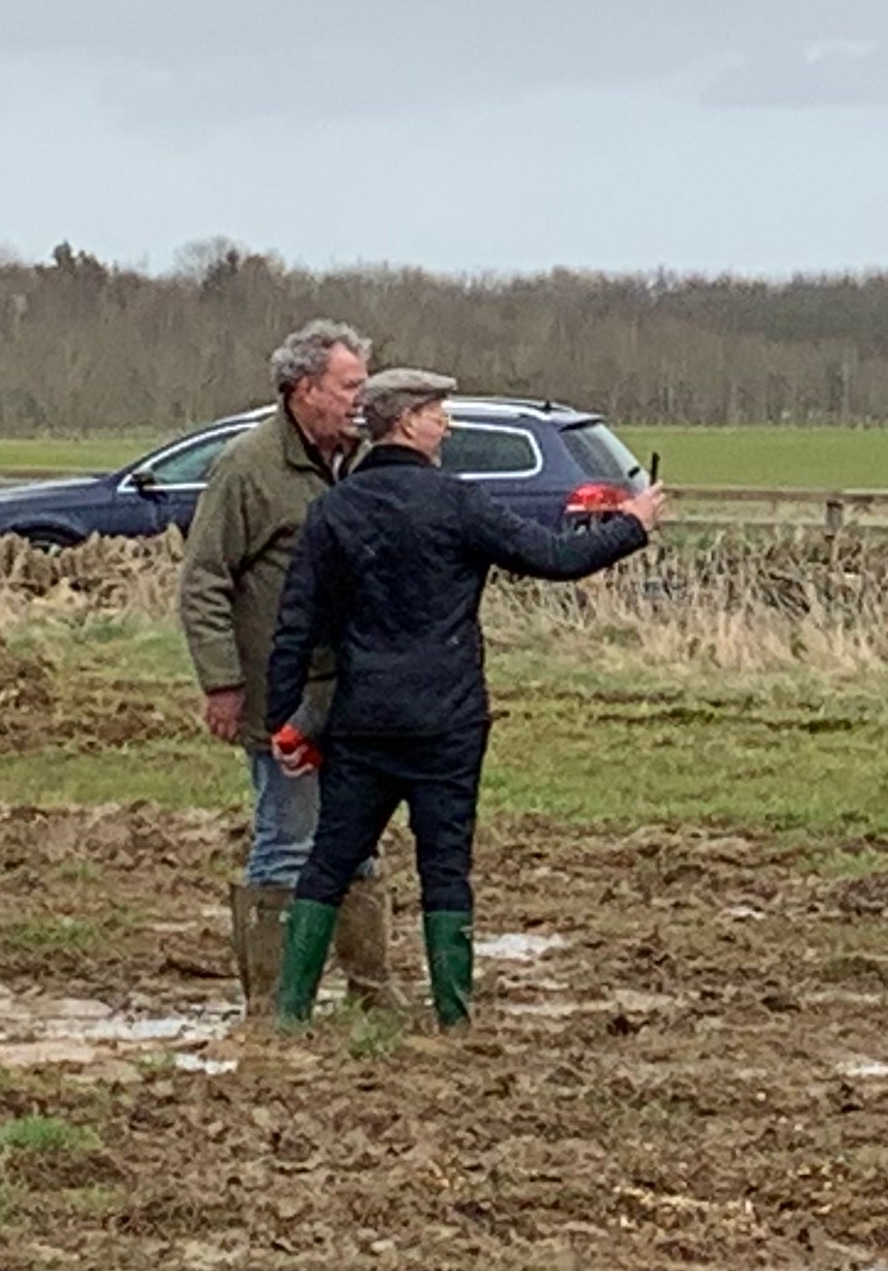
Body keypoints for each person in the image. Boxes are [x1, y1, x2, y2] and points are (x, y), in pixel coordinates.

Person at [263, 369, 662, 1029]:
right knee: (445, 863)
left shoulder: (335, 508)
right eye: (437, 410)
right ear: (406, 422)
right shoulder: (456, 503)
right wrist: (632, 526)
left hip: (362, 718)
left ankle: (290, 1016)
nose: (447, 422)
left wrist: (286, 720)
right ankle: (454, 1020)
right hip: (448, 720)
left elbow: (297, 625)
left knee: (329, 858)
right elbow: (556, 559)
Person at [174, 317, 411, 1022]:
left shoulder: (368, 460)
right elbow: (204, 581)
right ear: (304, 390)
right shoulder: (250, 468)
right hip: (284, 696)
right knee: (286, 838)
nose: (359, 402)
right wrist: (222, 682)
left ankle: (374, 994)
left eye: (364, 387)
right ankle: (274, 1006)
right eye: (348, 387)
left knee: (359, 834)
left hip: (360, 691)